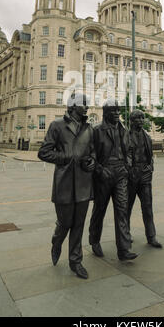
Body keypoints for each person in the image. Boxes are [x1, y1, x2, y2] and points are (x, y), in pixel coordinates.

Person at [38, 93, 95, 279]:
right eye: (83, 104)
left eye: (87, 103)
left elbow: (92, 152)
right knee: (65, 223)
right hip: (64, 183)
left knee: (79, 224)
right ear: (72, 106)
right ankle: (56, 241)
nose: (87, 106)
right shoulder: (57, 126)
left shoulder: (89, 129)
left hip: (84, 184)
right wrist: (66, 158)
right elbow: (44, 152)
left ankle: (75, 261)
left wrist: (91, 162)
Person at [89, 99, 138, 261]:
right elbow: (90, 155)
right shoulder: (96, 131)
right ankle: (94, 240)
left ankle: (123, 250)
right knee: (100, 209)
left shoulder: (124, 130)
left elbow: (129, 150)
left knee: (122, 210)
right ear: (106, 113)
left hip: (121, 174)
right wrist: (100, 170)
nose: (117, 113)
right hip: (104, 175)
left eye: (119, 110)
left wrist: (127, 165)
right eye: (114, 110)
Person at [128, 110, 162, 248]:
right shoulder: (125, 136)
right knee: (126, 208)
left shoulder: (146, 136)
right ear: (131, 120)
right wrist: (129, 170)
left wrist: (150, 166)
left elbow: (150, 155)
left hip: (145, 176)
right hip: (131, 176)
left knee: (147, 207)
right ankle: (125, 233)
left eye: (142, 118)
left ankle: (151, 236)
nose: (141, 120)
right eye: (138, 118)